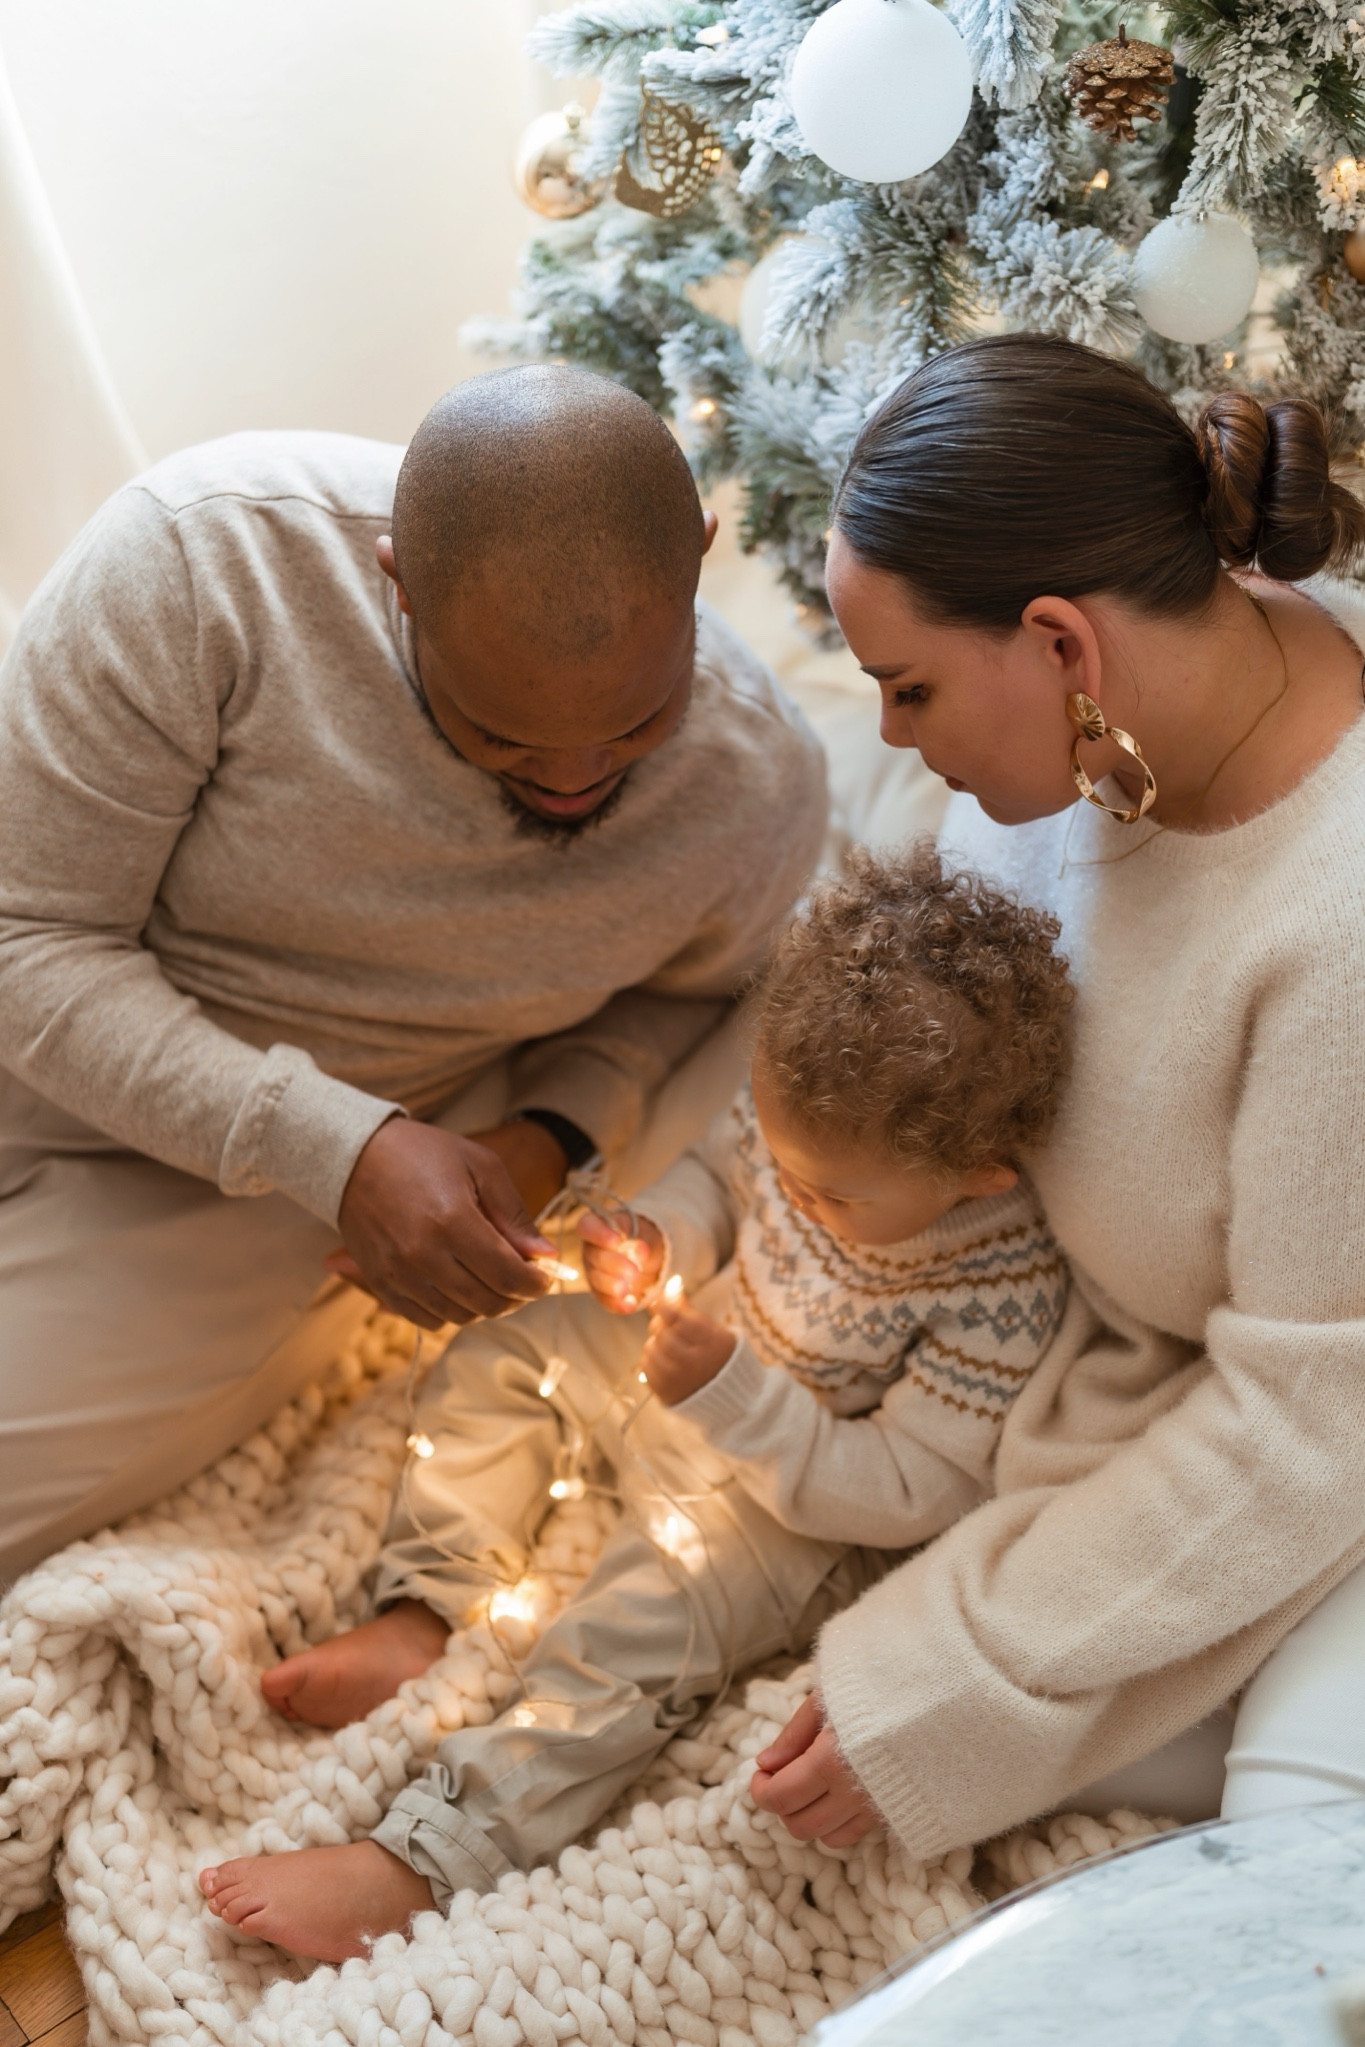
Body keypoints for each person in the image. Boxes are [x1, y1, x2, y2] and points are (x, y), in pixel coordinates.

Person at [0, 365, 827, 1587]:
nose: (573, 777)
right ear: (396, 580)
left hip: (243, 1209)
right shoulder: (204, 560)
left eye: (637, 724)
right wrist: (335, 1143)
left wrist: (556, 1129)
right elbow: (25, 936)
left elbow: (692, 995)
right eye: (500, 731)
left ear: (703, 557)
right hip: (234, 1110)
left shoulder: (757, 793)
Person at [197, 843, 1073, 1958]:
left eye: (831, 1196)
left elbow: (910, 1489)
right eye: (784, 1164)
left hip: (789, 1502)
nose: (794, 1197)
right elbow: (719, 1177)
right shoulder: (802, 1116)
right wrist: (659, 1235)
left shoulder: (1002, 1285)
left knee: (634, 1638)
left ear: (978, 1173)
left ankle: (422, 1862)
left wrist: (737, 1399)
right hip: (685, 1361)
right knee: (507, 1353)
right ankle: (425, 1609)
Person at [743, 333, 1365, 1859]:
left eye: (907, 685)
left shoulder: (1333, 923)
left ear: (1061, 645)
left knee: (1276, 1848)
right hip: (1152, 1384)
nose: (887, 731)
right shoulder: (1086, 752)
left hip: (1321, 1435)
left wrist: (955, 1660)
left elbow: (1310, 1424)